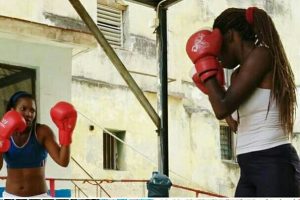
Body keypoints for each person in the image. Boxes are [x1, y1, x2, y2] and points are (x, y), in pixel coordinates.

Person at [186, 7, 300, 197]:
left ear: (231, 36)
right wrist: (210, 89)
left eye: (218, 46)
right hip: (249, 166)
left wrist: (205, 65)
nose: (217, 57)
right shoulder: (238, 74)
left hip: (273, 163)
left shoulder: (262, 55)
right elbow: (233, 122)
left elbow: (222, 108)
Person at [0, 91, 77, 197]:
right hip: (11, 196)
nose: (29, 114)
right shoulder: (3, 132)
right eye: (23, 109)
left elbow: (63, 161)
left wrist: (66, 133)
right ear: (12, 110)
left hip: (39, 196)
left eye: (33, 110)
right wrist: (1, 138)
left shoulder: (42, 132)